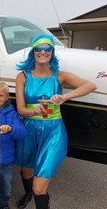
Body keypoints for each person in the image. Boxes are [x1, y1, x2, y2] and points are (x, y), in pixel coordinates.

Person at [15, 34, 97, 209]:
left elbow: (90, 86)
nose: (43, 52)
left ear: (52, 52)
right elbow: (21, 109)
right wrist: (32, 111)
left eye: (47, 49)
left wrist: (65, 97)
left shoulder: (60, 76)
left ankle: (37, 194)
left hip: (53, 131)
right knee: (26, 171)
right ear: (33, 52)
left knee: (39, 187)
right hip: (29, 129)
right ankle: (29, 193)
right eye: (38, 49)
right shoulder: (22, 76)